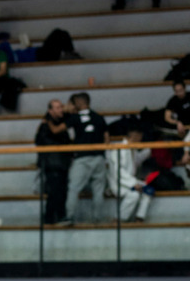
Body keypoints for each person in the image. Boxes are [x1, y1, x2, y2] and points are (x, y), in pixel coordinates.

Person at [59, 93, 109, 226]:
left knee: (74, 188)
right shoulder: (99, 117)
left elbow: (57, 129)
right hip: (99, 157)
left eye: (73, 103)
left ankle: (69, 217)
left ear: (79, 104)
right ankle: (97, 219)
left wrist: (63, 113)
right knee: (98, 190)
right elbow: (107, 139)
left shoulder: (75, 117)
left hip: (82, 158)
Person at [106, 122, 153, 223]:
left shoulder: (132, 149)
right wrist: (133, 183)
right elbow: (118, 171)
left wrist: (149, 149)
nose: (140, 140)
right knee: (134, 195)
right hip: (119, 183)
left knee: (148, 190)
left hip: (130, 181)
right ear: (134, 136)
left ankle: (139, 218)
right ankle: (118, 219)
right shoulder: (119, 149)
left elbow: (137, 161)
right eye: (139, 138)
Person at [35, 99, 72, 225]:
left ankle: (55, 218)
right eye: (57, 107)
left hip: (62, 164)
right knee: (55, 192)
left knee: (61, 191)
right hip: (53, 164)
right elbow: (42, 143)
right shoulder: (45, 126)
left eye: (61, 107)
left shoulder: (60, 123)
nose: (61, 109)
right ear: (50, 110)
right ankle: (52, 218)